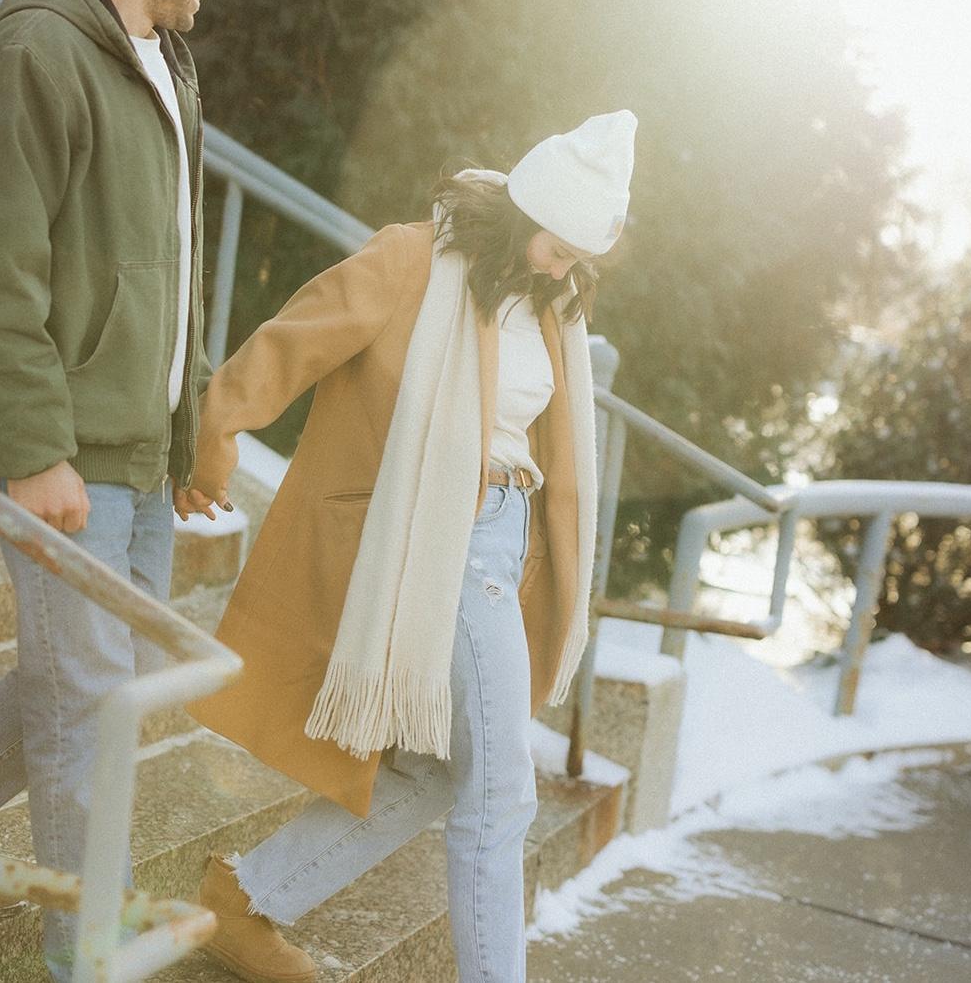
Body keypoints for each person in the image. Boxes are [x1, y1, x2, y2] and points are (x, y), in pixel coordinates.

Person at [178, 110, 638, 983]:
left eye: (585, 254)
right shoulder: (414, 261)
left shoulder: (554, 307)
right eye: (561, 243)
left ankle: (243, 898)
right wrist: (220, 425)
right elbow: (295, 337)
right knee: (501, 796)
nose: (568, 265)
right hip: (440, 549)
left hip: (508, 547)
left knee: (432, 772)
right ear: (528, 207)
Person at [0, 0, 235, 977]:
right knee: (90, 711)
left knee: (110, 675)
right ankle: (86, 955)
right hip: (65, 454)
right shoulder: (29, 58)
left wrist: (182, 432)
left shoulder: (165, 65)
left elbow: (170, 277)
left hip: (136, 457)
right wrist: (32, 446)